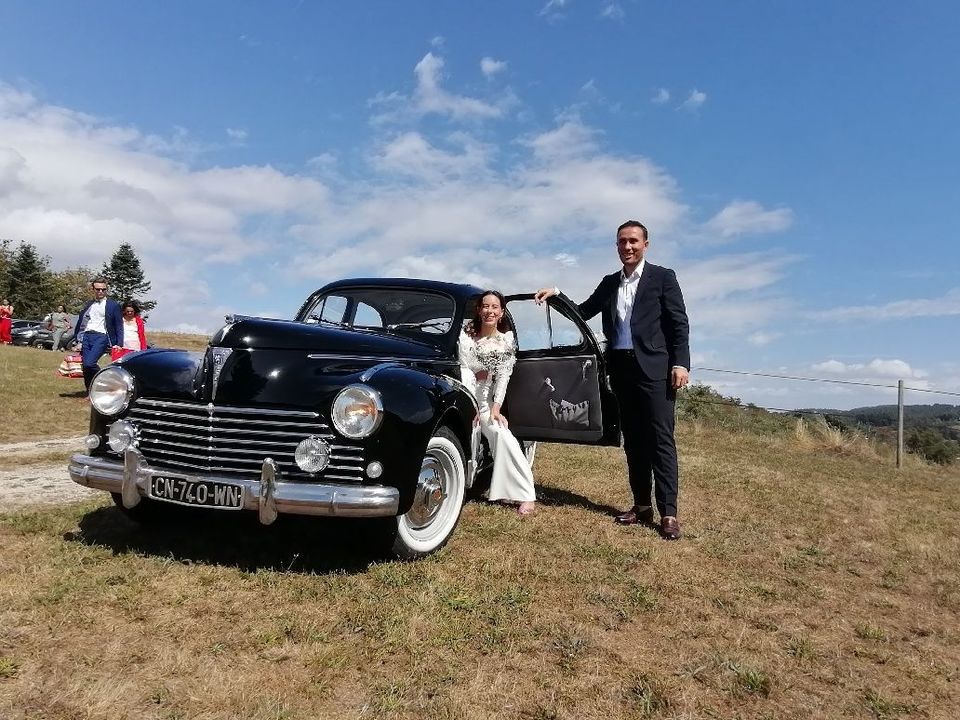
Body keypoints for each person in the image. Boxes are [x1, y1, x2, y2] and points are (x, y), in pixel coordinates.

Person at [535, 220, 690, 539]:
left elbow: (678, 324)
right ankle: (642, 505)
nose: (627, 247)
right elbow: (582, 311)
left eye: (633, 241)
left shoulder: (663, 277)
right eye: (622, 242)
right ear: (617, 246)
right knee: (633, 440)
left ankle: (669, 514)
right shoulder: (609, 283)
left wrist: (681, 363)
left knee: (660, 440)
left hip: (655, 371)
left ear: (646, 244)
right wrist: (557, 295)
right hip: (621, 370)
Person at [458, 290, 537, 515]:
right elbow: (463, 367)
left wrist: (496, 408)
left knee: (503, 435)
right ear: (479, 310)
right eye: (485, 306)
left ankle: (523, 493)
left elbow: (503, 377)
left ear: (501, 312)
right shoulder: (466, 338)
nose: (489, 311)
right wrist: (476, 381)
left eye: (495, 307)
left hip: (485, 406)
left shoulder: (505, 342)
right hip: (466, 400)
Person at [75, 277, 123, 390]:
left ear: (107, 290)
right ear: (93, 289)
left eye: (103, 289)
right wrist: (77, 339)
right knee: (86, 366)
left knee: (90, 364)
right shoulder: (89, 304)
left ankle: (107, 380)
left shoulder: (113, 305)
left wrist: (119, 343)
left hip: (102, 336)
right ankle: (91, 390)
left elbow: (119, 325)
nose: (100, 292)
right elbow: (81, 321)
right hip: (86, 336)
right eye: (98, 289)